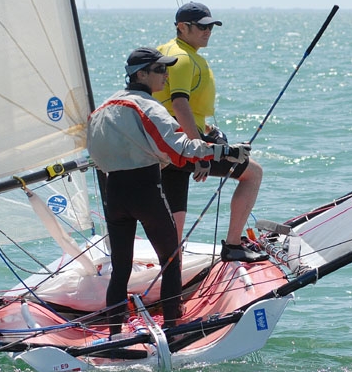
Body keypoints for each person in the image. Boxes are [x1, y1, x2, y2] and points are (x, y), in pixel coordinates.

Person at [86, 47, 251, 336]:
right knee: (171, 259)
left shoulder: (102, 109)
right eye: (160, 69)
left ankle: (114, 334)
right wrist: (228, 151)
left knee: (121, 267)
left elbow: (95, 157)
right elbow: (182, 146)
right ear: (141, 74)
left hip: (114, 194)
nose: (166, 74)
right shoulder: (145, 106)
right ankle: (174, 327)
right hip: (146, 191)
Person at [154, 2, 267, 263]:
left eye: (211, 26)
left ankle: (169, 275)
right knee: (252, 173)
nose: (208, 31)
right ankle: (233, 244)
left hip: (167, 144)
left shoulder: (166, 51)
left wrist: (207, 131)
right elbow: (179, 103)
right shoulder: (182, 58)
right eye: (202, 26)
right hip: (182, 144)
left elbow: (171, 105)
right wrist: (200, 151)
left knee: (176, 226)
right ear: (182, 27)